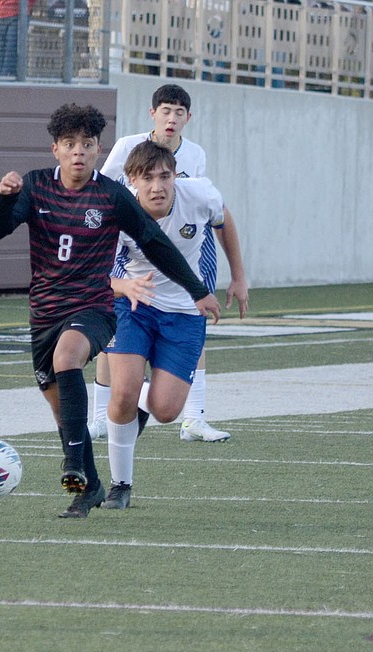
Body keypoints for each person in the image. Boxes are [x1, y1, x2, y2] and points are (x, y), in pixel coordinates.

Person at [0, 103, 219, 518]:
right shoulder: (35, 187)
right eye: (69, 144)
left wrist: (197, 288)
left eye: (87, 144)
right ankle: (89, 487)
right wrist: (2, 199)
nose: (78, 152)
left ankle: (73, 466)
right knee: (64, 412)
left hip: (94, 307)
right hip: (44, 313)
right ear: (55, 149)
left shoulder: (110, 196)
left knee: (67, 359)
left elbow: (154, 242)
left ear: (98, 150)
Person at [90, 83, 248, 443]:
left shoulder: (196, 168)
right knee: (114, 338)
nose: (172, 118)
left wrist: (238, 275)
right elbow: (104, 190)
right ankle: (104, 413)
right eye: (166, 110)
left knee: (191, 318)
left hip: (185, 255)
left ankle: (191, 416)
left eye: (179, 112)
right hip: (133, 265)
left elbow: (221, 216)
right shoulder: (127, 154)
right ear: (153, 113)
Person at [104, 140, 224, 509]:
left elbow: (225, 220)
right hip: (134, 306)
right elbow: (93, 274)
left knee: (166, 411)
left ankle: (142, 398)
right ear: (131, 181)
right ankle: (120, 485)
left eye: (164, 176)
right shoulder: (116, 211)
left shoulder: (199, 195)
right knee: (122, 392)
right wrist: (123, 286)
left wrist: (239, 277)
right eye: (147, 178)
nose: (157, 186)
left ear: (176, 176)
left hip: (185, 314)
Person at [0, 0, 37, 77]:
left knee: (3, 50)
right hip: (17, 11)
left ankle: (0, 80)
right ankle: (6, 81)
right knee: (11, 51)